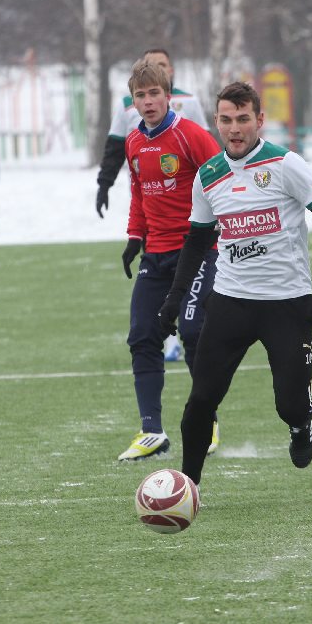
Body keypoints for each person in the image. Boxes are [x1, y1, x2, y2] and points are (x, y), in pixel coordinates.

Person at [158, 81, 312, 486]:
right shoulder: (208, 176)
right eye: (226, 120)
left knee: (290, 406)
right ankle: (188, 487)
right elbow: (196, 241)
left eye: (243, 119)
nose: (235, 128)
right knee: (200, 402)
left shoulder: (286, 165)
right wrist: (174, 299)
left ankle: (302, 424)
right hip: (231, 303)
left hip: (286, 304)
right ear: (216, 122)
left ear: (259, 120)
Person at [116, 58, 222, 461]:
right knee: (143, 336)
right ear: (133, 101)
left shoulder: (190, 136)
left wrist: (223, 236)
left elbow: (222, 184)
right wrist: (133, 237)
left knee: (194, 333)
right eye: (140, 96)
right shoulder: (133, 142)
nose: (147, 102)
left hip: (196, 252)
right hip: (155, 254)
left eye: (154, 93)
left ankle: (206, 420)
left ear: (168, 95)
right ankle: (151, 431)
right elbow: (140, 195)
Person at [97, 49, 208, 363]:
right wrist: (104, 185)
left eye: (162, 67)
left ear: (169, 75)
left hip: (191, 236)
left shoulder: (190, 108)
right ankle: (168, 340)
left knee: (193, 325)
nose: (147, 100)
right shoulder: (128, 116)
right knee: (147, 329)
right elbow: (120, 156)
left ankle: (202, 393)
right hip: (157, 234)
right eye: (141, 94)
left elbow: (210, 158)